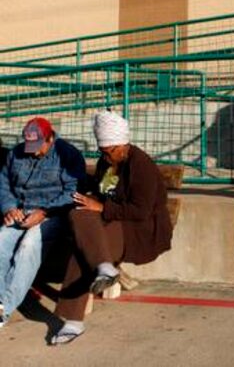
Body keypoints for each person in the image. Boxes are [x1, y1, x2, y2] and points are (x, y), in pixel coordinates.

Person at [50, 110, 173, 345]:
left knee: (82, 249)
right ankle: (104, 267)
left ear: (122, 145)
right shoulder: (108, 162)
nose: (105, 157)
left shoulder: (141, 165)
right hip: (112, 222)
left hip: (139, 230)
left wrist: (100, 207)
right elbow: (102, 191)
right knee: (78, 215)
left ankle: (74, 321)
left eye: (108, 152)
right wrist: (91, 200)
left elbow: (141, 211)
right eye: (102, 151)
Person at [0, 118, 84, 329]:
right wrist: (9, 208)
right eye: (30, 147)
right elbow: (4, 185)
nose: (33, 152)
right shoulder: (16, 153)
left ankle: (4, 309)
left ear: (50, 138)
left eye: (38, 147)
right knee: (1, 241)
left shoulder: (68, 155)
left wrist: (45, 212)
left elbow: (73, 192)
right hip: (22, 212)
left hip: (53, 215)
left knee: (28, 247)